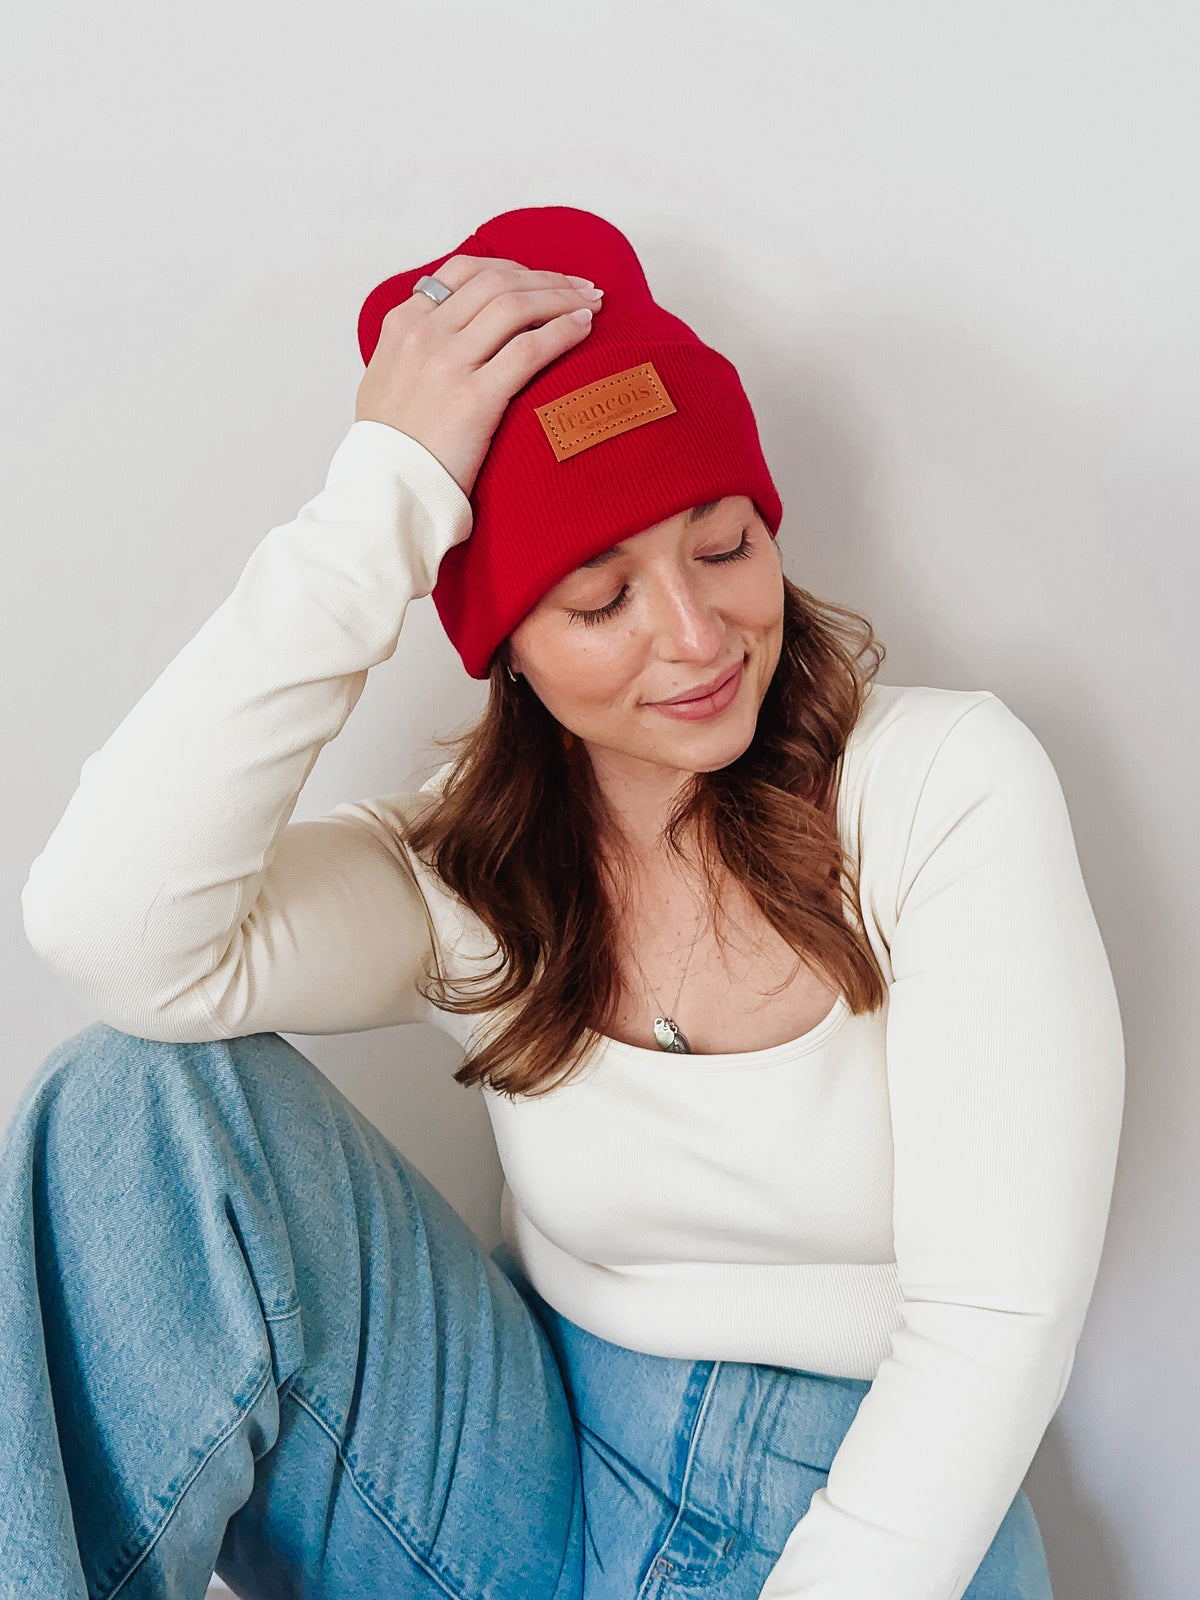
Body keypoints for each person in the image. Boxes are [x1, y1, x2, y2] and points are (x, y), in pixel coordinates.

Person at [3, 206, 1124, 1600]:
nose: (700, 638)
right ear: (510, 652)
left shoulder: (946, 786)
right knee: (136, 1105)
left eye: (724, 546)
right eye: (600, 597)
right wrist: (385, 499)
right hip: (538, 1474)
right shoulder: (466, 874)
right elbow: (110, 935)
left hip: (882, 1513)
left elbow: (994, 1330)